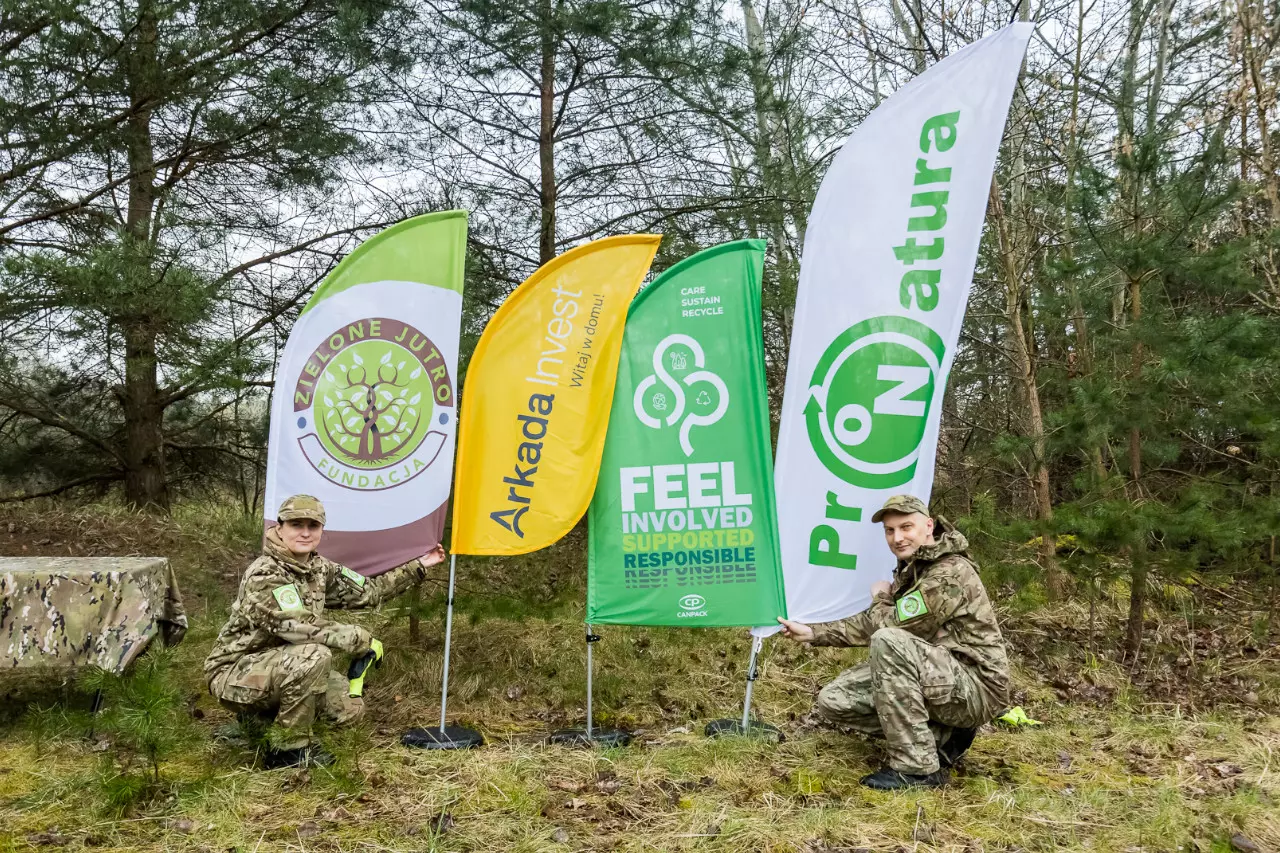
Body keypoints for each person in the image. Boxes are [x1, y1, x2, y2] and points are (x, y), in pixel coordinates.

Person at [777, 495, 1010, 790]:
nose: (897, 538)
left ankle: (918, 770)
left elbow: (889, 625)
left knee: (888, 641)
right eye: (890, 530)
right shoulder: (916, 567)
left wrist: (880, 597)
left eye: (906, 527)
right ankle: (943, 736)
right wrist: (812, 632)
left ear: (928, 526)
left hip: (976, 687)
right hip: (942, 677)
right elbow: (878, 623)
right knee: (834, 701)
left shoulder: (949, 573)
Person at [204, 494, 446, 768]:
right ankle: (287, 749)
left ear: (321, 530)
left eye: (313, 525)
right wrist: (357, 638)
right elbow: (298, 627)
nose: (305, 533)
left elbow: (368, 592)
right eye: (297, 525)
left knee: (348, 711)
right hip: (235, 672)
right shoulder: (264, 574)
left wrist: (421, 565)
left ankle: (257, 725)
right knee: (314, 656)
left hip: (284, 666)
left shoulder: (319, 568)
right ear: (280, 527)